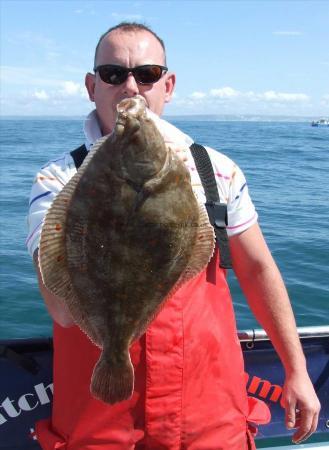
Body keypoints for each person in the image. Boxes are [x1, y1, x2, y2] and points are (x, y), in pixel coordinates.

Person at [26, 22, 320, 450]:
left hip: (210, 418)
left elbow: (257, 269)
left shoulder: (215, 171)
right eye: (113, 74)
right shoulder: (56, 180)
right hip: (102, 429)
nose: (130, 86)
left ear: (168, 84)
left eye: (146, 74)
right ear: (92, 86)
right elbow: (61, 307)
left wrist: (296, 368)